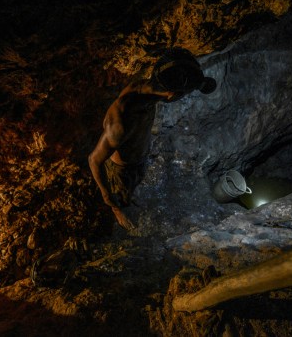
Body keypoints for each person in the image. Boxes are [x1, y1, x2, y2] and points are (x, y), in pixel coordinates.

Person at [88, 48, 217, 230]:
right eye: (184, 95)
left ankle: (128, 197)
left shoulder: (147, 88)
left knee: (137, 178)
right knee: (123, 196)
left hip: (138, 155)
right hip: (123, 170)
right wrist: (110, 200)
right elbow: (93, 160)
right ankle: (119, 212)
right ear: (172, 95)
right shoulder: (120, 125)